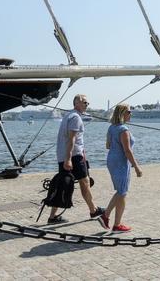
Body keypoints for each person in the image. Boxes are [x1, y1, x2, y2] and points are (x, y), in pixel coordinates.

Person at [49, 94, 104, 224]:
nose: (87, 105)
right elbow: (71, 139)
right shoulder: (76, 118)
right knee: (84, 182)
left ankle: (52, 216)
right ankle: (93, 210)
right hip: (73, 156)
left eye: (87, 103)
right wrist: (69, 159)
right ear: (76, 103)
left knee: (63, 184)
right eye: (84, 102)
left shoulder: (68, 116)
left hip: (65, 155)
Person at [98, 104, 143, 232]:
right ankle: (106, 216)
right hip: (121, 162)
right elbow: (127, 151)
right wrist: (136, 167)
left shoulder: (112, 128)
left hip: (111, 159)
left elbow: (108, 145)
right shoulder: (123, 130)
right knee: (122, 191)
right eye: (129, 111)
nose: (131, 114)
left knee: (121, 192)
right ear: (122, 113)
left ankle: (116, 223)